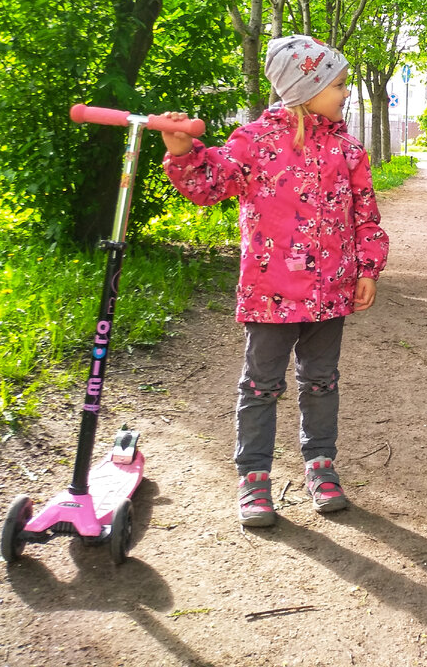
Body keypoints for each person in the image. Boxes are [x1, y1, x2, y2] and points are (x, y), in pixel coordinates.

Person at [159, 34, 389, 528]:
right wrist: (183, 151)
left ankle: (320, 466)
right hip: (271, 296)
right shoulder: (253, 141)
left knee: (322, 382)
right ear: (308, 86)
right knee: (262, 385)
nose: (347, 92)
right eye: (340, 84)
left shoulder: (348, 149)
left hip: (330, 294)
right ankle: (253, 477)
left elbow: (364, 214)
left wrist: (368, 268)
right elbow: (210, 184)